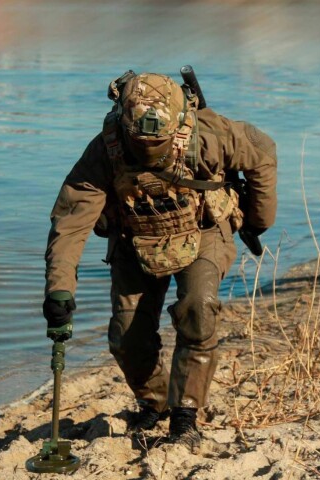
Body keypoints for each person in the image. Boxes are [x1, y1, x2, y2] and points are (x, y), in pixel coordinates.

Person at [41, 70, 277, 452]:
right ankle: (156, 401)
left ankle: (185, 413)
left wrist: (257, 218)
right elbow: (71, 224)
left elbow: (262, 151)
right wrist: (59, 290)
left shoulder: (210, 134)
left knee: (198, 308)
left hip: (202, 229)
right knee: (126, 336)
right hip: (135, 237)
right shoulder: (104, 150)